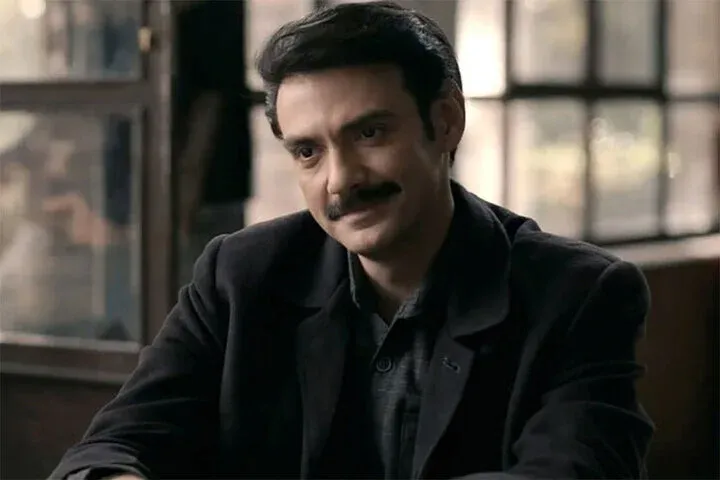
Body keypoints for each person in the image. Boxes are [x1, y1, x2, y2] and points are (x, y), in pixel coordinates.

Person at [50, 2, 654, 479]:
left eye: (369, 133)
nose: (340, 180)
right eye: (307, 151)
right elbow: (115, 445)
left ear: (446, 121)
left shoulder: (577, 295)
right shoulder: (240, 274)